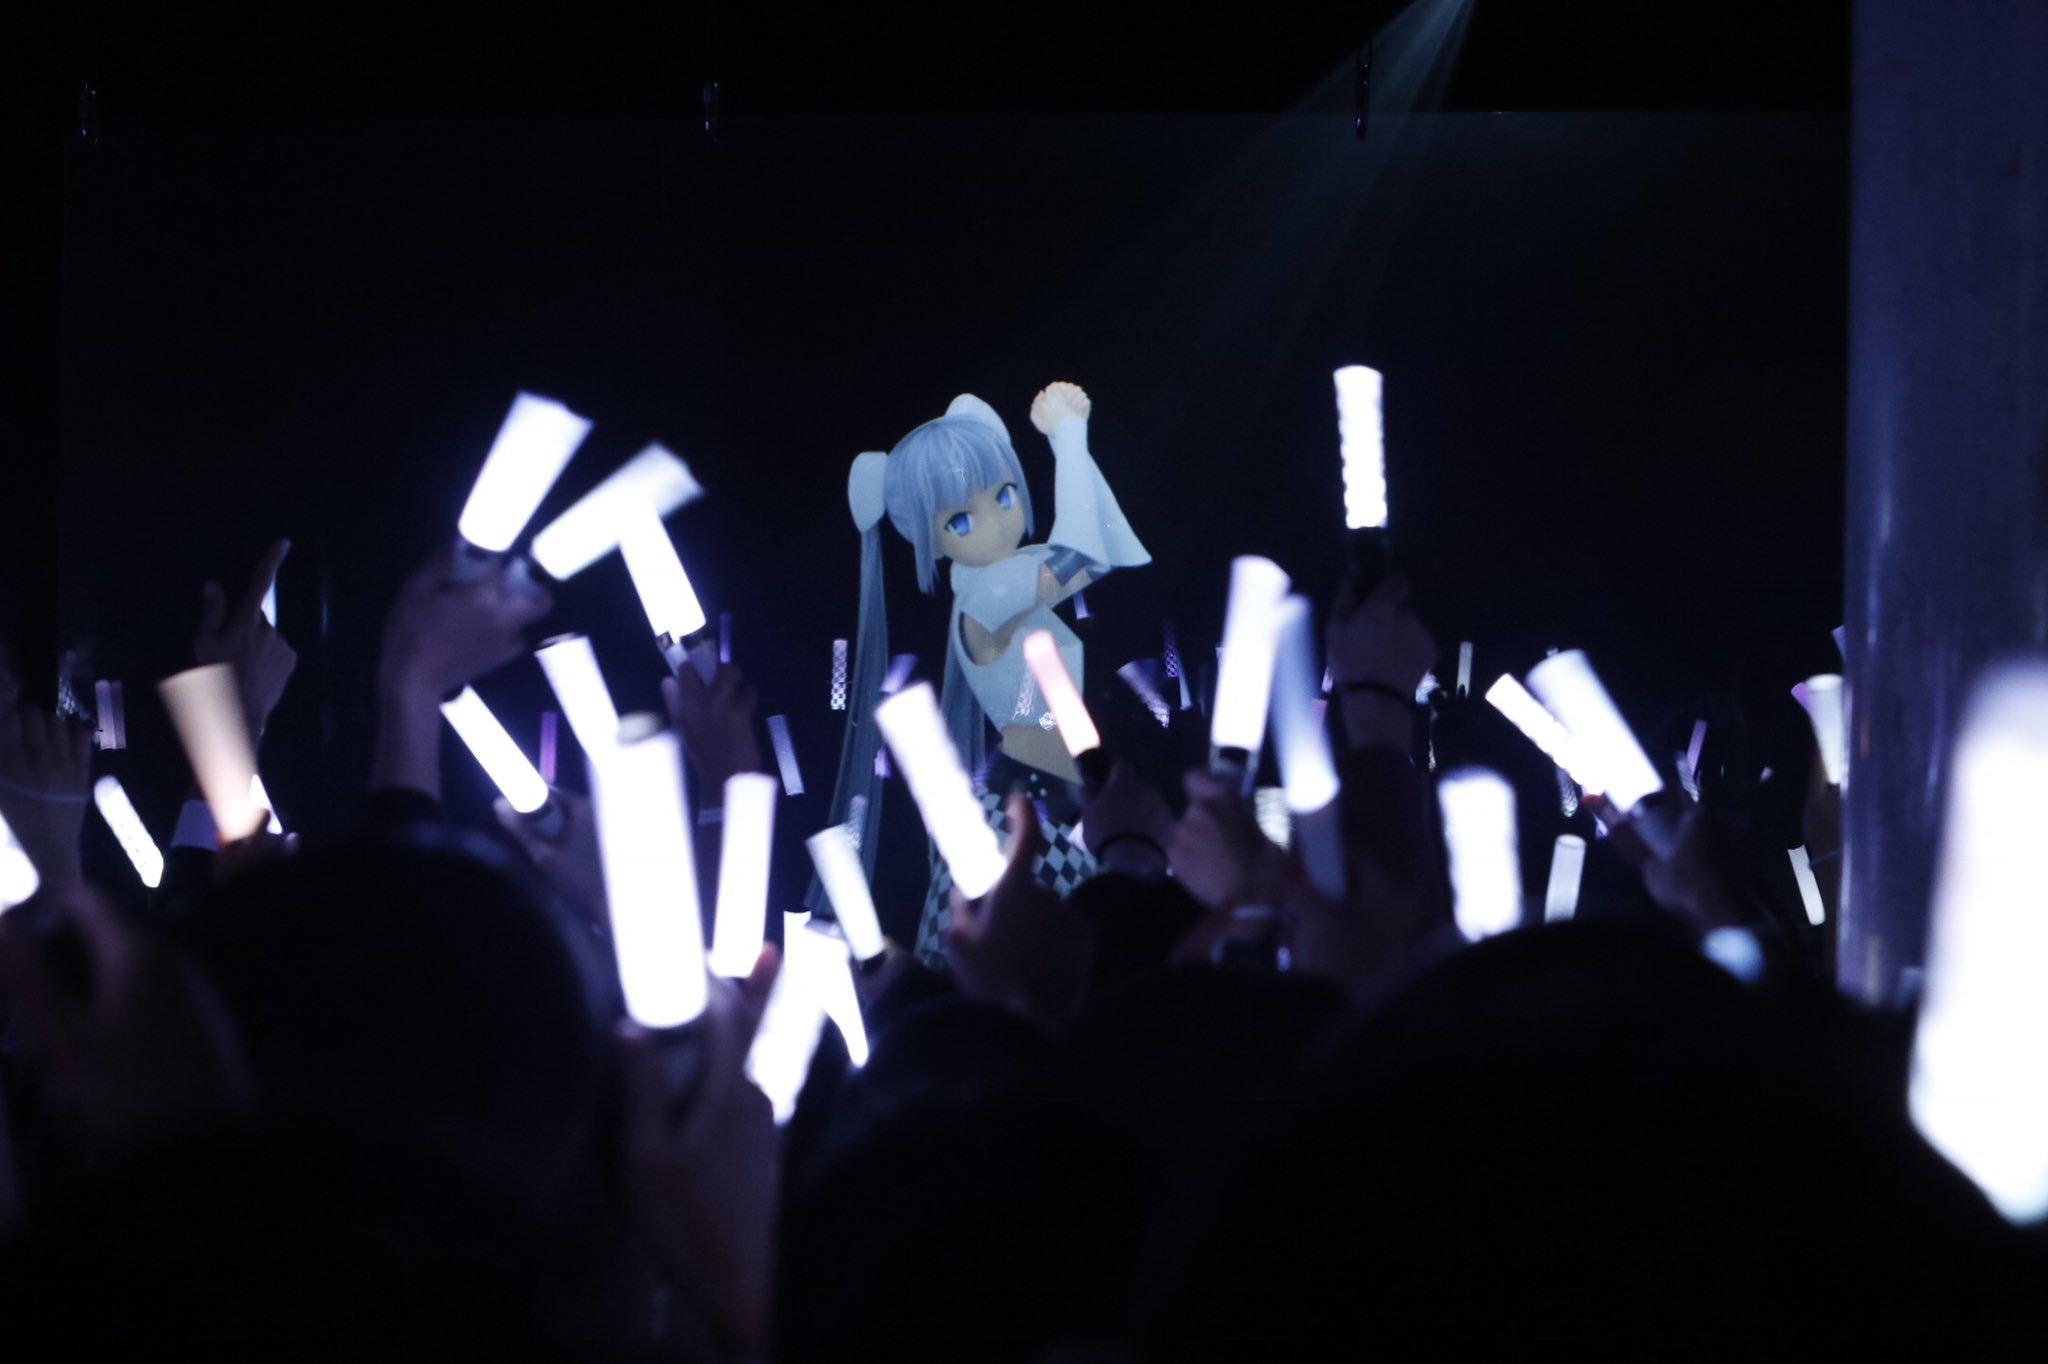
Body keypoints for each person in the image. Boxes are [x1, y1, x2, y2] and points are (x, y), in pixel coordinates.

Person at [811, 383, 1151, 964]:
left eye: (1005, 495)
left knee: (1072, 951)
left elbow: (1106, 546)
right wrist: (1067, 435)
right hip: (1030, 798)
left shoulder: (1004, 579)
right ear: (932, 539)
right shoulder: (989, 594)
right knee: (1046, 954)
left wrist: (1070, 442)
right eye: (961, 521)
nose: (994, 523)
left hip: (1052, 788)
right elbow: (1086, 551)